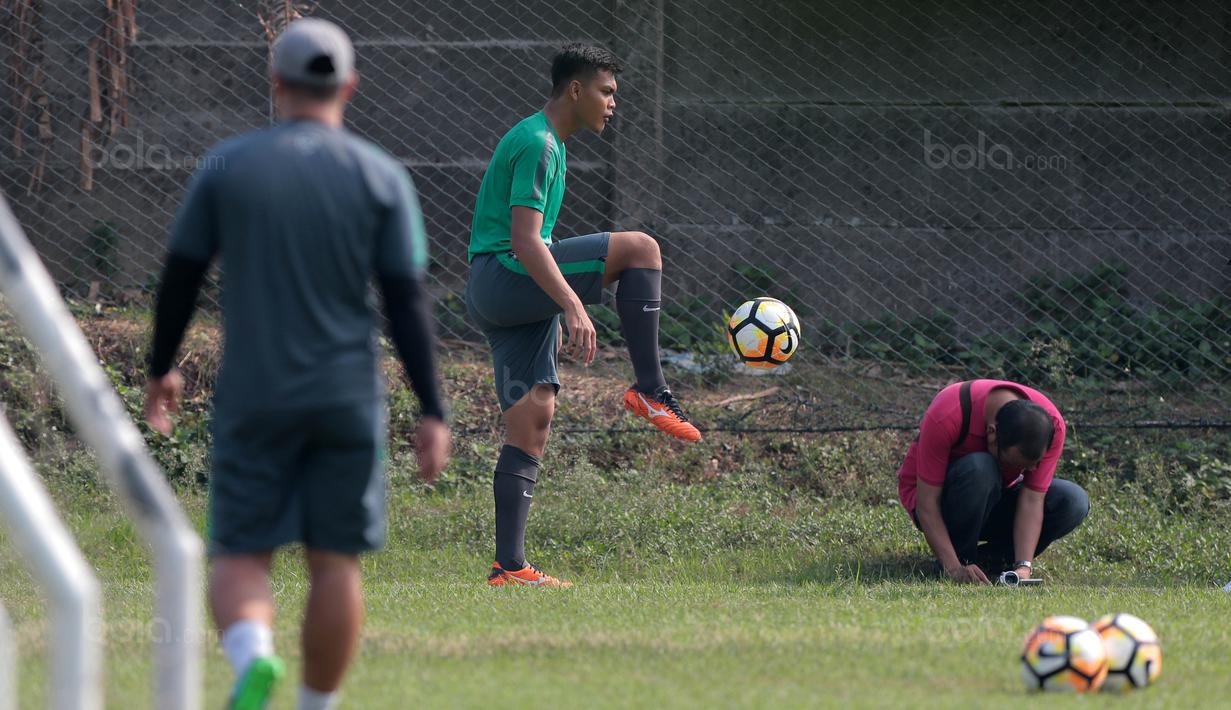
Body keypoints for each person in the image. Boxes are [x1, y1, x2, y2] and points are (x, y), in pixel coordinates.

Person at [142, 19, 450, 710]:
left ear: (276, 83)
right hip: (347, 395)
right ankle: (316, 705)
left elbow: (181, 276)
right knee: (334, 560)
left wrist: (162, 366)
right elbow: (407, 302)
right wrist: (432, 409)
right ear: (349, 85)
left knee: (241, 552)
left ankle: (253, 655)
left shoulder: (229, 166)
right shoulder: (381, 175)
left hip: (257, 394)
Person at [467, 43, 700, 588]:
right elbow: (525, 241)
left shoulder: (550, 142)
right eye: (607, 91)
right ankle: (650, 388)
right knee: (641, 250)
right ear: (576, 90)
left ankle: (510, 566)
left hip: (499, 292)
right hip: (508, 275)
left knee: (532, 420)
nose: (613, 103)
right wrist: (573, 303)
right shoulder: (539, 142)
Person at [898, 379, 1089, 585]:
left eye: (1035, 464)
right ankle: (960, 561)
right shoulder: (948, 414)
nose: (1031, 471)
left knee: (1073, 500)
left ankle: (992, 562)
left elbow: (1032, 500)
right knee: (982, 467)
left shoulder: (1050, 427)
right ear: (991, 433)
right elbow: (927, 504)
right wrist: (953, 567)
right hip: (941, 502)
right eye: (1015, 464)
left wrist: (1023, 566)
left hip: (995, 496)